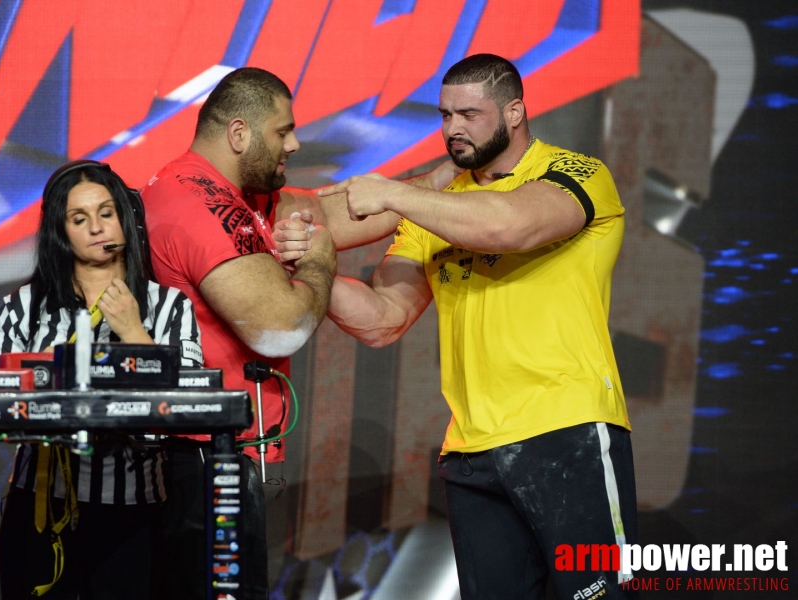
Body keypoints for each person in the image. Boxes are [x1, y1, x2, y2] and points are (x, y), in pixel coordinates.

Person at [310, 54, 638, 599]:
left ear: (515, 111)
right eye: (444, 115)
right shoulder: (435, 207)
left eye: (468, 114)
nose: (452, 129)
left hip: (567, 432)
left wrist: (393, 193)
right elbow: (382, 319)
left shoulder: (576, 173)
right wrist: (310, 271)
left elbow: (505, 226)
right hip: (471, 451)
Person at [141, 67, 456, 599]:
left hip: (223, 455)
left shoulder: (233, 195)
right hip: (199, 462)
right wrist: (318, 261)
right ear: (239, 134)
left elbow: (332, 211)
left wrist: (447, 180)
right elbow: (280, 328)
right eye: (281, 132)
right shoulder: (195, 206)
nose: (296, 142)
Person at [0, 160, 202, 599]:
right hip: (40, 506)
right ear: (60, 232)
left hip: (133, 513)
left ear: (125, 216)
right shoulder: (22, 306)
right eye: (79, 219)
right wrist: (40, 374)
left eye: (107, 213)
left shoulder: (170, 306)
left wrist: (135, 334)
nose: (98, 228)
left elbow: (189, 408)